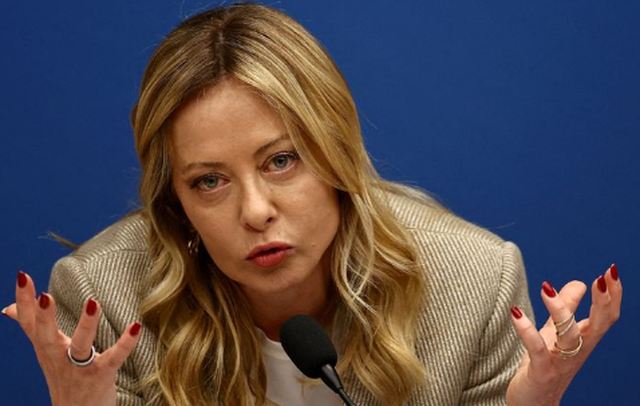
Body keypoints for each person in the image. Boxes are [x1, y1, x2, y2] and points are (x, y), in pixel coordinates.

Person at [2, 3, 622, 406]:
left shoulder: (474, 282)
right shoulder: (104, 299)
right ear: (176, 203)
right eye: (209, 181)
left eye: (281, 160)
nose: (255, 211)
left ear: (337, 155)